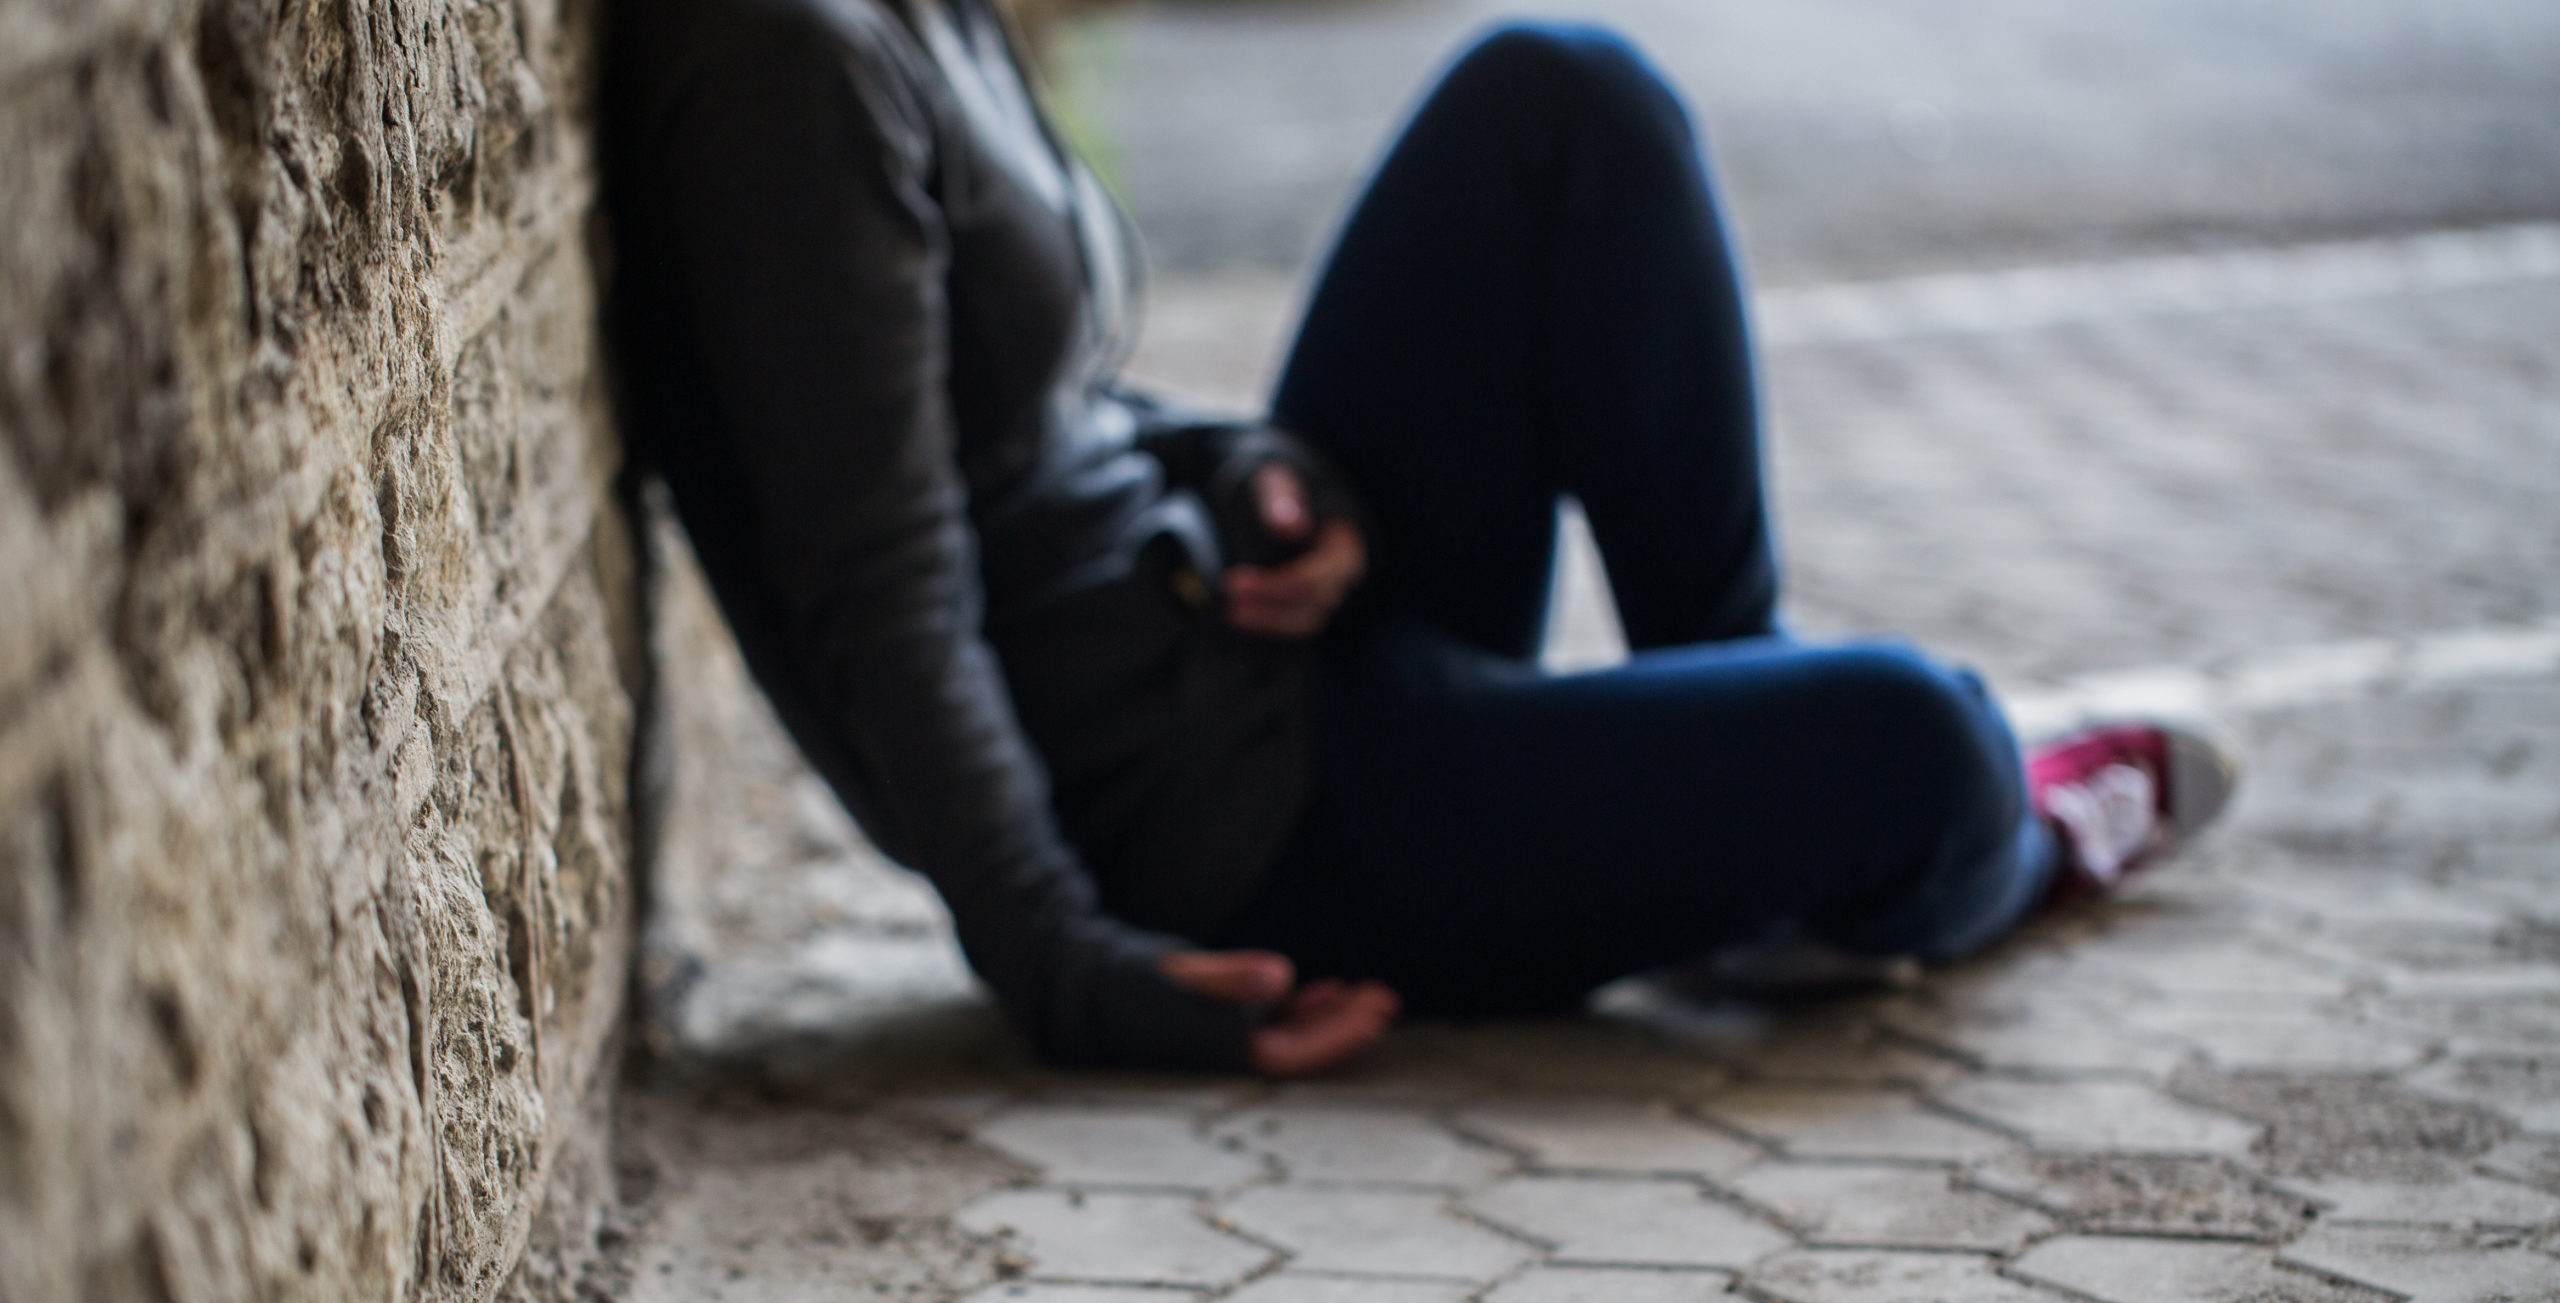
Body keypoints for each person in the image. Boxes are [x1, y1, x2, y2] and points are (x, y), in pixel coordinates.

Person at [603, 0, 2236, 1077]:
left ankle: (1745, 782)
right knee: (1927, 750)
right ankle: (2004, 840)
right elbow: (881, 587)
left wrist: (1257, 469)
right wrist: (1071, 967)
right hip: (1248, 833)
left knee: (1563, 101)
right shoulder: (781, 67)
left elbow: (1049, 418)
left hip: (1256, 622)